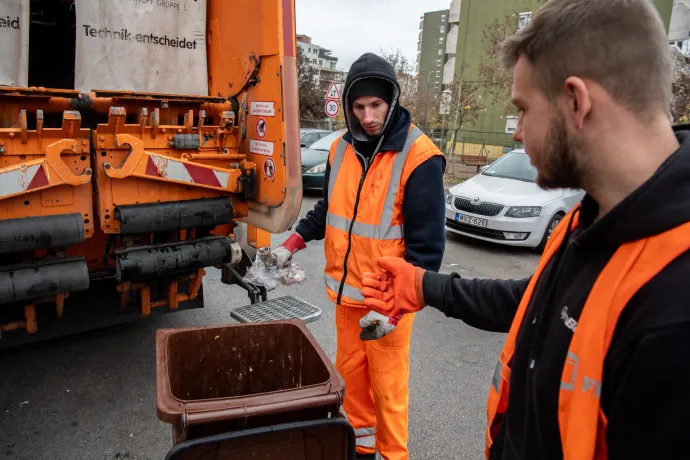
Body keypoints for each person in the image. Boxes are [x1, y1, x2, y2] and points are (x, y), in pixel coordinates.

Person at [359, 0, 690, 459]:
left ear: (576, 101)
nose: (516, 134)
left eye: (523, 109)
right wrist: (424, 285)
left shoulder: (674, 310)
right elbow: (539, 302)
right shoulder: (594, 216)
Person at [271, 53, 446, 459]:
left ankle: (393, 455)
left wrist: (396, 311)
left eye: (376, 106)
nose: (368, 116)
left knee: (388, 389)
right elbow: (326, 210)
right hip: (348, 301)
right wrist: (289, 246)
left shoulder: (419, 159)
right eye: (359, 106)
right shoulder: (341, 149)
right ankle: (361, 450)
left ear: (392, 102)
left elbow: (427, 251)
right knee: (350, 383)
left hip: (388, 303)